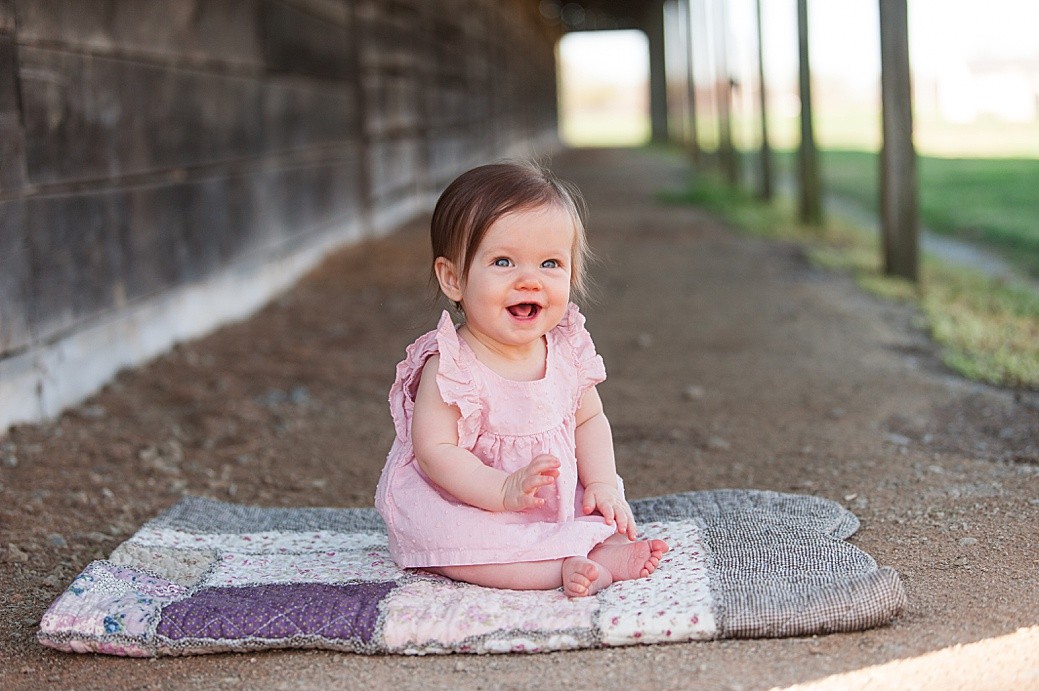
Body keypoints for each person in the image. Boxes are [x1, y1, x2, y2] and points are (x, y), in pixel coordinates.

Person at [375, 160, 668, 597]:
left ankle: (591, 549)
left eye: (550, 263)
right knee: (464, 549)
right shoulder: (453, 367)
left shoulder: (567, 351)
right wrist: (501, 489)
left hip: (550, 501)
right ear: (453, 278)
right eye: (503, 261)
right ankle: (560, 568)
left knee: (607, 519)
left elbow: (589, 421)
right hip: (468, 501)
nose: (529, 280)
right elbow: (435, 451)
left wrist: (604, 483)